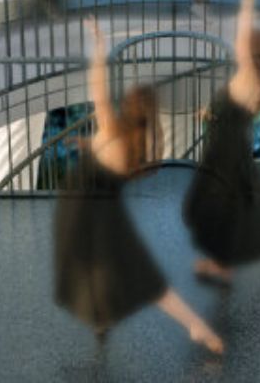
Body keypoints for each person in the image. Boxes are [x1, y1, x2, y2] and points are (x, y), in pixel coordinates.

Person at [53, 19, 224, 354]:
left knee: (96, 264)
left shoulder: (110, 128)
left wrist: (99, 46)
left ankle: (108, 315)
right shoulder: (141, 150)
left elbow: (97, 85)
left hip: (79, 206)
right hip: (107, 209)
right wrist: (89, 145)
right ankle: (185, 324)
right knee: (131, 269)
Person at [182, 0, 260, 286]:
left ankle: (222, 264)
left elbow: (241, 38)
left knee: (218, 205)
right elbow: (230, 107)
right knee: (248, 184)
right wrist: (209, 111)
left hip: (223, 153)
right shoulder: (252, 81)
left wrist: (247, 1)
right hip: (233, 145)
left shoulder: (248, 76)